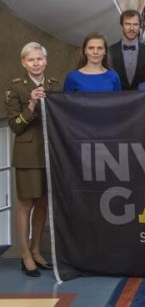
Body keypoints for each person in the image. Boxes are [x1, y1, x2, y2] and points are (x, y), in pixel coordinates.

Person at [4, 42, 61, 277]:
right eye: (31, 60)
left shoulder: (54, 85)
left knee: (43, 203)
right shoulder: (15, 88)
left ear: (45, 61)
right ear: (23, 63)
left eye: (39, 59)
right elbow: (15, 126)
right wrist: (32, 104)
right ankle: (25, 254)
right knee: (26, 204)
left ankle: (36, 250)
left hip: (50, 152)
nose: (36, 63)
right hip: (27, 155)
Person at [109, 9, 145, 90]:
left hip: (143, 97)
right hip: (117, 97)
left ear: (140, 26)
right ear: (121, 25)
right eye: (128, 24)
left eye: (135, 24)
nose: (131, 28)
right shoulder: (110, 51)